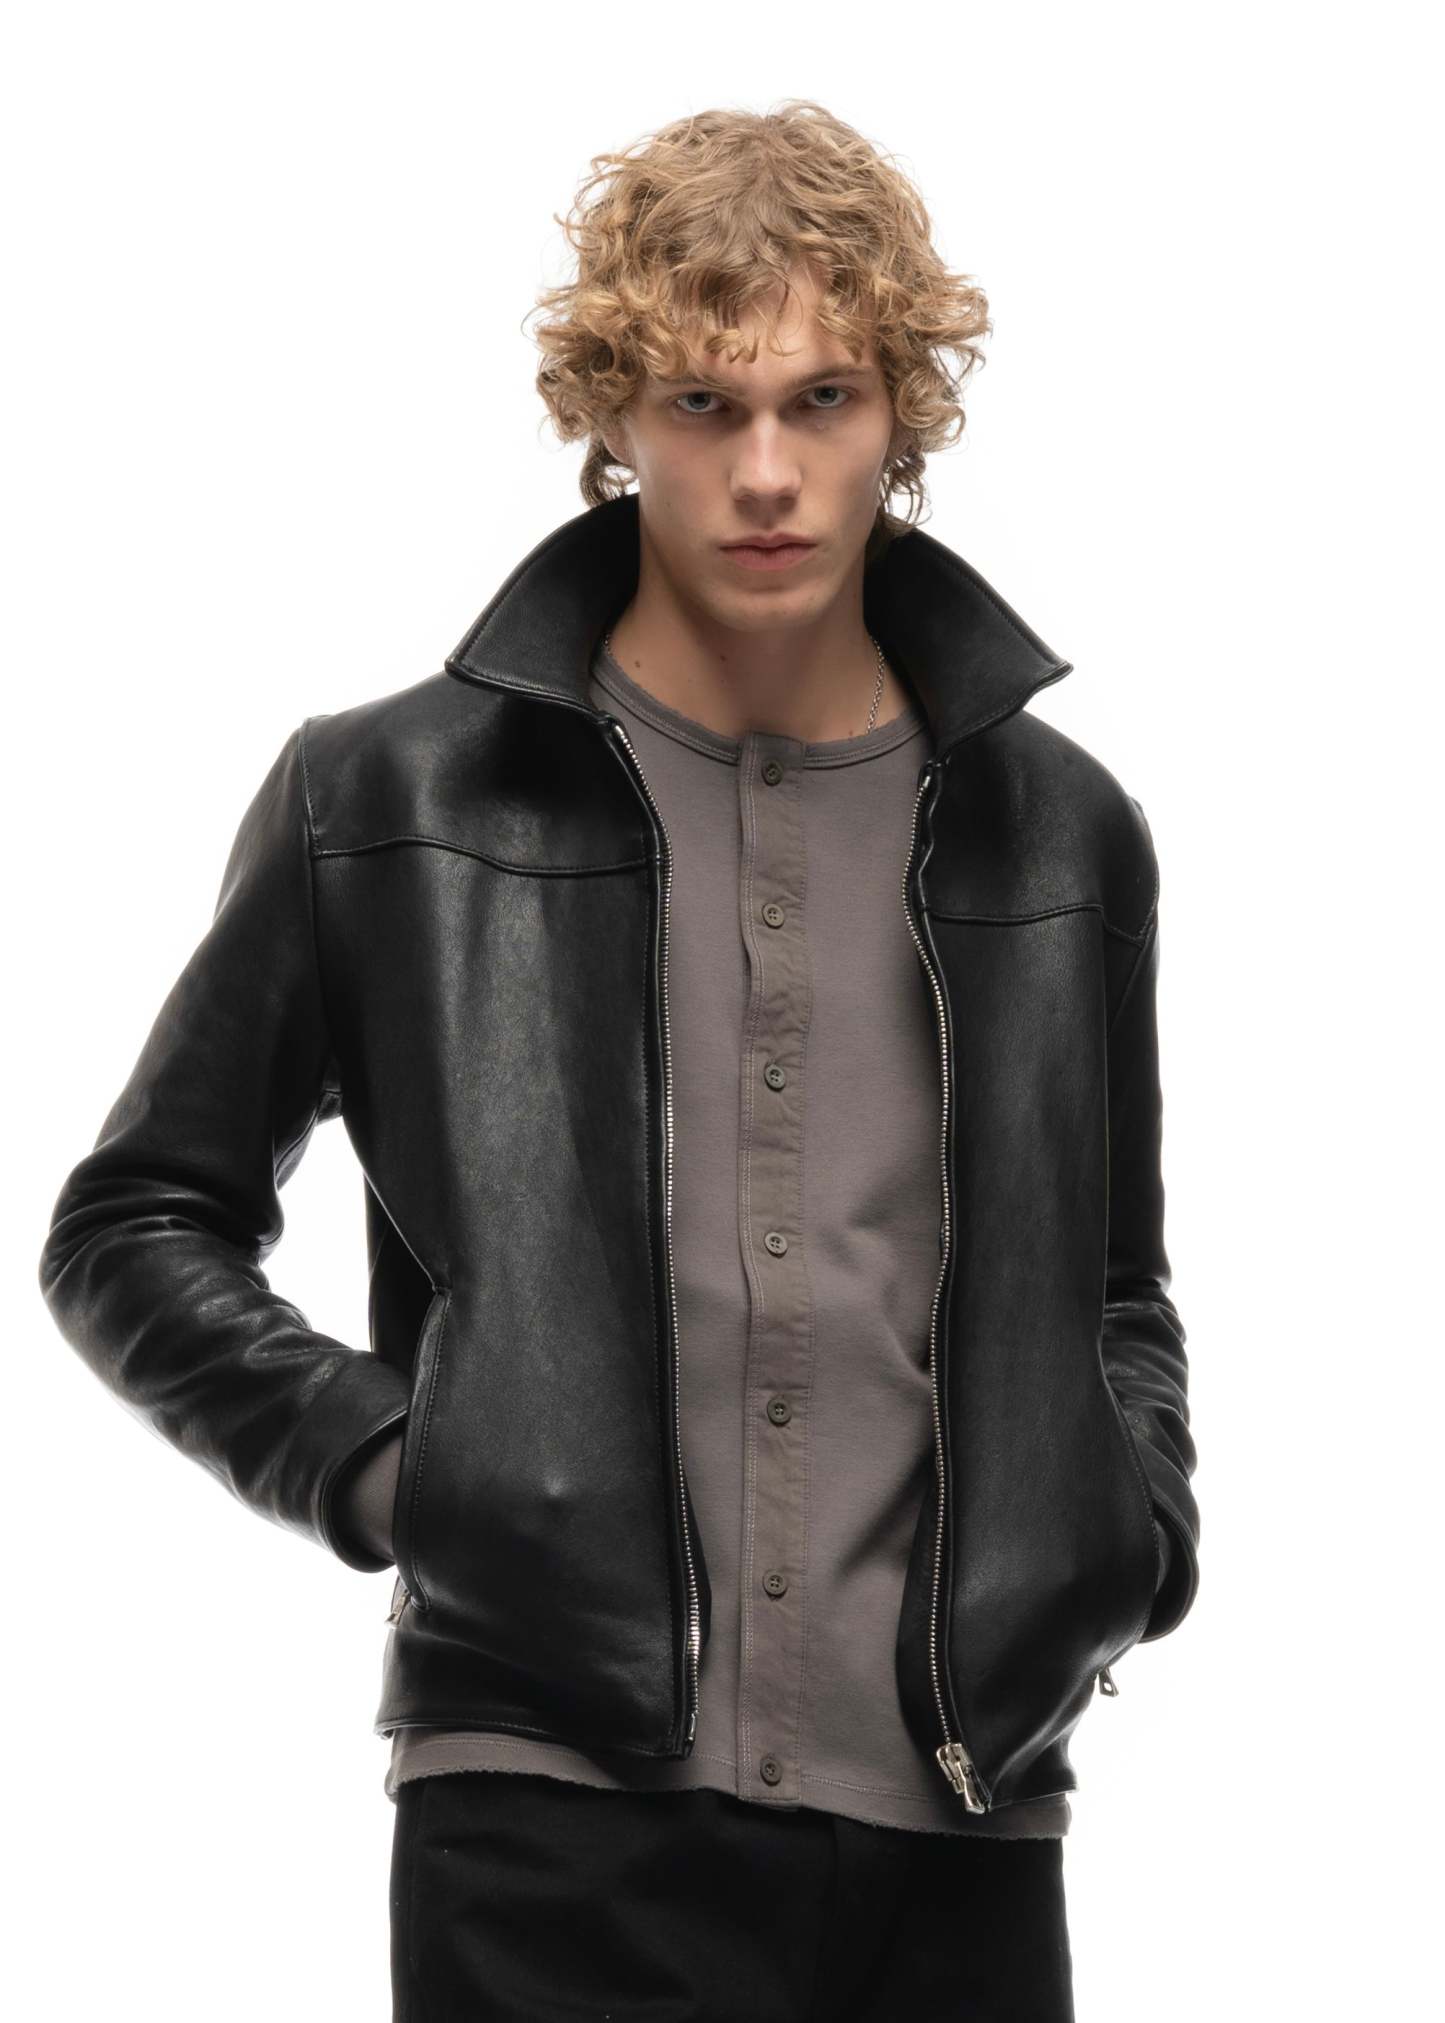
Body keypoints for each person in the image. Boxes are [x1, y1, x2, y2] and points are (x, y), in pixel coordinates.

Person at [38, 100, 1200, 2022]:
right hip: (544, 1812)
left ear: (900, 414)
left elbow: (1110, 1287)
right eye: (700, 406)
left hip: (963, 1819)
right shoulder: (387, 797)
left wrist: (1122, 1534)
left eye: (821, 401)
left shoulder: (1059, 832)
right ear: (611, 418)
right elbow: (137, 1223)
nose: (766, 473)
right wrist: (399, 1473)